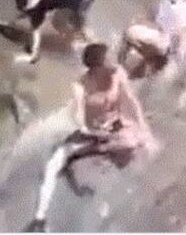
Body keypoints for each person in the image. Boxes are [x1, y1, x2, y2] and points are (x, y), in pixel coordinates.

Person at [27, 42, 156, 231]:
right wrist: (89, 130)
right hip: (91, 133)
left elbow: (132, 101)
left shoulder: (117, 73)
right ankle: (39, 219)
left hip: (115, 127)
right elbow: (79, 117)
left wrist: (145, 129)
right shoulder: (81, 85)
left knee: (134, 143)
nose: (113, 60)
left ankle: (90, 161)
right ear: (97, 66)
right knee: (52, 164)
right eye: (108, 58)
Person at [119, 0, 186, 75]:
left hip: (165, 43)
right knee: (140, 68)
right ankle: (141, 68)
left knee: (129, 32)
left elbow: (170, 26)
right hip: (169, 46)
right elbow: (180, 25)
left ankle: (119, 68)